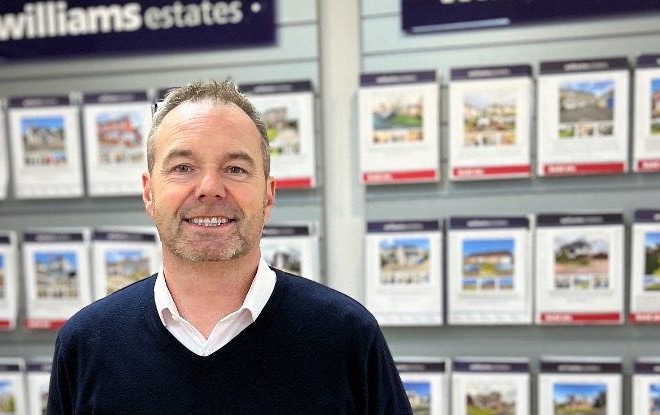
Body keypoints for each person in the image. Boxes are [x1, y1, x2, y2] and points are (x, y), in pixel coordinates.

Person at [47, 80, 413, 414]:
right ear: (149, 192)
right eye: (183, 167)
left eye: (235, 169)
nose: (209, 188)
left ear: (268, 196)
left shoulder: (348, 336)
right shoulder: (85, 344)